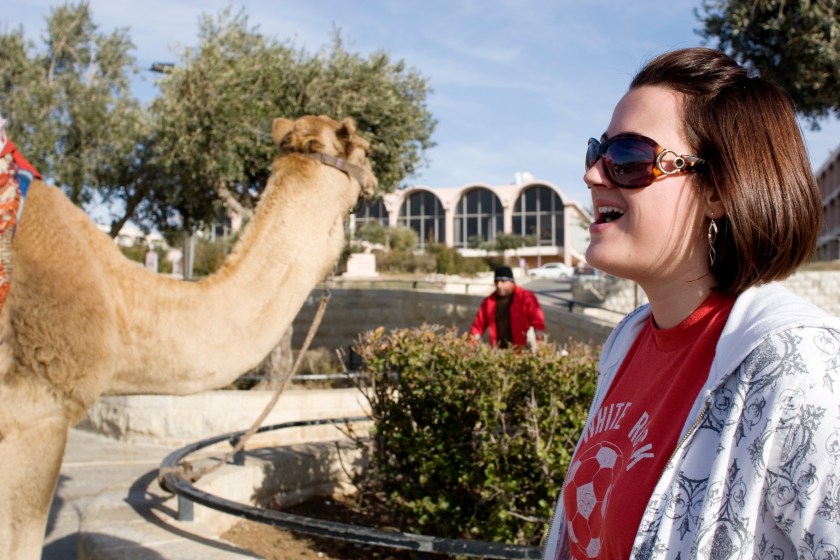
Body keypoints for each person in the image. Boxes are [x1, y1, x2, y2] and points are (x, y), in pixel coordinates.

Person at [542, 47, 840, 560]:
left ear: (719, 190)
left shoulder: (799, 365)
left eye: (628, 158)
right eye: (597, 152)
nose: (593, 175)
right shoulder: (628, 342)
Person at [470, 265, 546, 348]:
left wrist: (539, 344)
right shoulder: (488, 302)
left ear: (511, 281)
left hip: (521, 350)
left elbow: (538, 322)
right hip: (498, 351)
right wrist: (470, 345)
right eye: (496, 281)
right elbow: (478, 327)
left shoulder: (526, 298)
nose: (499, 285)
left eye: (503, 281)